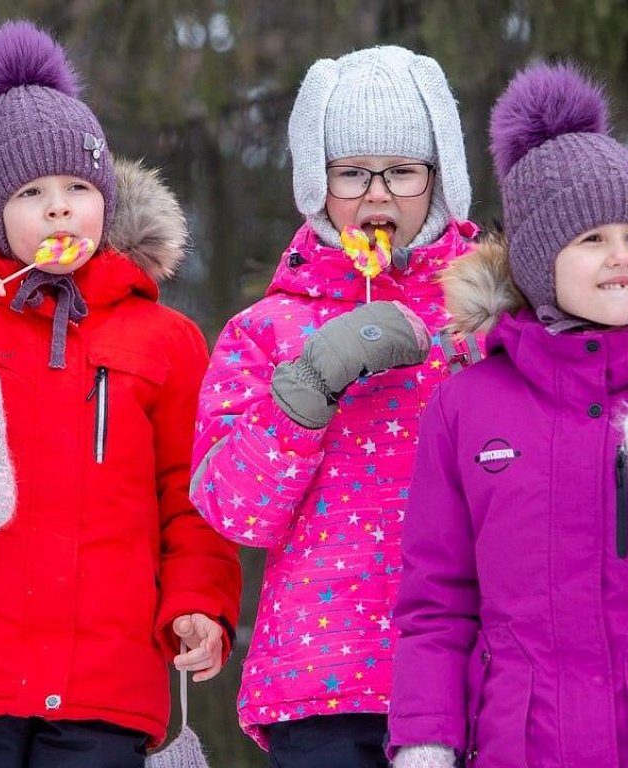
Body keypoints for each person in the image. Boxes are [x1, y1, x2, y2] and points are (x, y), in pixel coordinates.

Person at [0, 21, 241, 768]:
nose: (59, 209)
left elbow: (192, 491)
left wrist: (198, 601)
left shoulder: (166, 339)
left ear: (106, 200)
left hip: (105, 682)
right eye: (31, 192)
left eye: (77, 188)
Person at [387, 62, 628, 768]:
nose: (621, 257)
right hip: (525, 742)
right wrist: (425, 741)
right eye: (591, 239)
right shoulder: (466, 405)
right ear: (539, 262)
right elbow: (436, 603)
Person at [188, 46, 478, 768]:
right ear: (317, 184)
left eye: (402, 171)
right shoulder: (267, 330)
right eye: (352, 173)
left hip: (472, 672)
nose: (378, 197)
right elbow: (232, 511)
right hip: (322, 679)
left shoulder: (488, 319)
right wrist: (307, 387)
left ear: (441, 179)